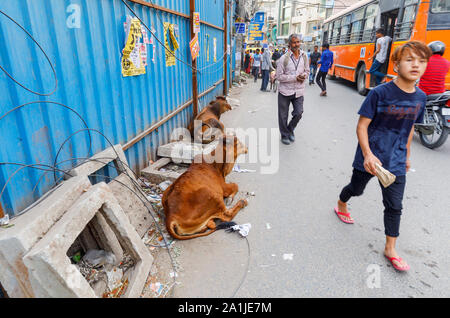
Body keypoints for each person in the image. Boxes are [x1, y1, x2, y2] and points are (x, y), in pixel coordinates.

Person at [335, 41, 431, 272]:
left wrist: (407, 155)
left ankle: (390, 248)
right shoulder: (379, 93)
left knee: (394, 205)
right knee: (356, 189)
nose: (416, 65)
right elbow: (361, 126)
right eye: (410, 60)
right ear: (396, 65)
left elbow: (409, 128)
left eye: (421, 61)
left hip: (396, 161)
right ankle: (341, 203)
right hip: (370, 159)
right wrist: (368, 155)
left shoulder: (420, 97)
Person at [275, 34, 310, 145]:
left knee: (299, 113)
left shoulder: (304, 56)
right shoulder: (283, 59)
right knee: (283, 115)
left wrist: (304, 76)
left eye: (298, 42)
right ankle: (284, 135)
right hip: (285, 91)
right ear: (289, 44)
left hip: (298, 91)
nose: (297, 44)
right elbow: (279, 76)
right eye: (294, 42)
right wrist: (295, 77)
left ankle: (290, 130)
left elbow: (307, 71)